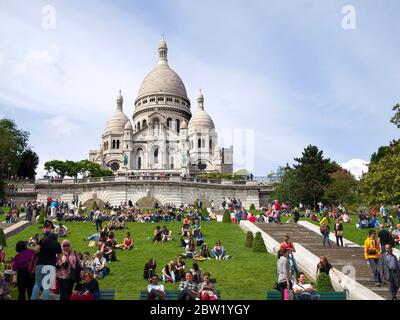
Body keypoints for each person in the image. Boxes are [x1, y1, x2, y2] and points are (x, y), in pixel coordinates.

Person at [31, 231, 62, 300]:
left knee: (37, 284)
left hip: (40, 264)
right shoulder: (57, 244)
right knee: (46, 286)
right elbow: (60, 257)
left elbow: (35, 249)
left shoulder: (43, 240)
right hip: (51, 266)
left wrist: (39, 252)